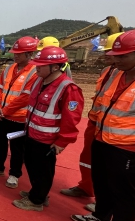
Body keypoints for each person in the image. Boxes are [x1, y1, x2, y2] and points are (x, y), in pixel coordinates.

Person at [71, 30, 135, 221]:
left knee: (125, 192)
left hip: (128, 147)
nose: (116, 60)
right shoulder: (115, 74)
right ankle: (101, 216)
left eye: (122, 56)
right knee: (102, 181)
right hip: (103, 137)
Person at [12, 46, 83, 211]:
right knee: (31, 165)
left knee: (43, 170)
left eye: (41, 66)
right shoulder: (39, 81)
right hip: (31, 133)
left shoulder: (68, 88)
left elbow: (71, 119)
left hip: (47, 139)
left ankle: (37, 200)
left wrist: (62, 142)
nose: (37, 68)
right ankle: (37, 192)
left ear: (56, 67)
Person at [60, 32, 122, 204]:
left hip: (116, 130)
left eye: (112, 53)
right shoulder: (107, 71)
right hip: (96, 122)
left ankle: (106, 204)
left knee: (111, 167)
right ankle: (87, 186)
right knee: (88, 158)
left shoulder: (126, 76)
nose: (107, 56)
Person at [0, 37, 38, 188]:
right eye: (15, 53)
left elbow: (26, 97)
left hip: (19, 118)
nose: (16, 55)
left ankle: (14, 174)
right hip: (2, 115)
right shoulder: (9, 68)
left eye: (19, 53)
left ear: (29, 54)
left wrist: (4, 110)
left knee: (17, 148)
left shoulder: (34, 72)